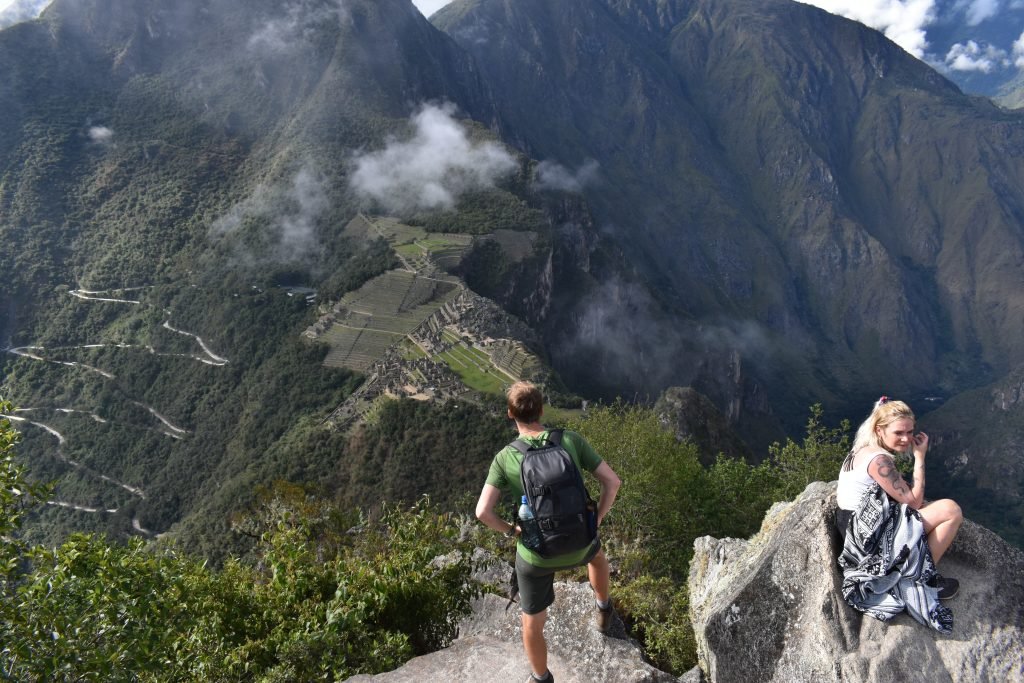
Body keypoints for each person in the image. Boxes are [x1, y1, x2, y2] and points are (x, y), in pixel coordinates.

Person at [476, 381, 621, 683]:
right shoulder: (570, 440)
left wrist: (512, 530)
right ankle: (604, 608)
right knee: (597, 557)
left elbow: (482, 513)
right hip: (581, 543)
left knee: (532, 620)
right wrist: (596, 521)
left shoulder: (506, 457)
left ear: (509, 414)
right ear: (542, 410)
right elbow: (613, 482)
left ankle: (541, 677)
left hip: (537, 554)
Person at [835, 397, 963, 633]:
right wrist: (920, 457)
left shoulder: (862, 449)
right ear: (879, 430)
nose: (906, 438)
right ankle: (918, 578)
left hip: (855, 529)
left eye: (910, 431)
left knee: (929, 507)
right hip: (869, 541)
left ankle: (910, 569)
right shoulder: (879, 460)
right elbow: (913, 502)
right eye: (899, 432)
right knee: (950, 510)